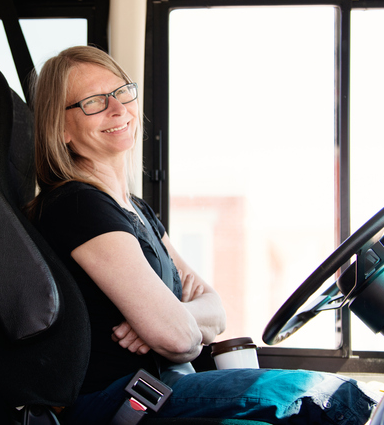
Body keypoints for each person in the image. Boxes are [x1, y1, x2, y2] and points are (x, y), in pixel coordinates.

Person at [26, 45, 380, 425]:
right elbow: (179, 340)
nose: (118, 109)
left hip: (167, 385)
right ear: (60, 128)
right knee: (335, 400)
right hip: (127, 401)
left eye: (121, 92)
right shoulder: (77, 206)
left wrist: (167, 319)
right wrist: (167, 326)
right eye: (94, 102)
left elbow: (216, 311)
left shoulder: (137, 210)